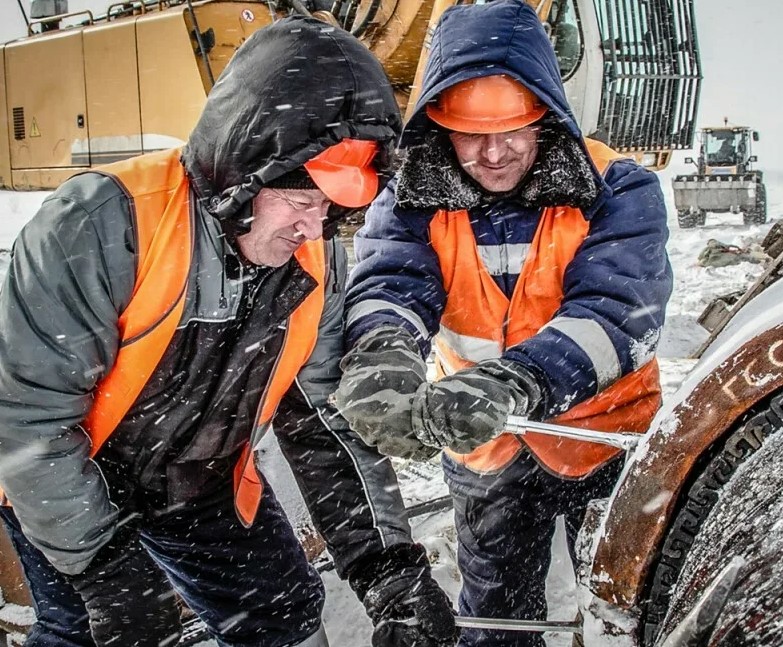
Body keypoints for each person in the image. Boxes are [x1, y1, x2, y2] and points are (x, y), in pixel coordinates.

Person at [0, 16, 456, 647]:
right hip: (71, 475)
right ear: (245, 173)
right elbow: (27, 416)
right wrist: (104, 568)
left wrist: (388, 571)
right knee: (91, 628)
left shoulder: (313, 263)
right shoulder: (103, 224)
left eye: (332, 209)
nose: (313, 229)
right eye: (301, 202)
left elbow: (322, 419)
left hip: (198, 478)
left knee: (283, 614)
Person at [333, 1, 672, 645]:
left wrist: (514, 380)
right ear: (437, 125)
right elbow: (390, 284)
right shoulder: (411, 196)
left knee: (629, 612)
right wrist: (382, 355)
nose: (492, 154)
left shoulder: (619, 188)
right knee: (494, 616)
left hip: (607, 439)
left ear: (546, 113)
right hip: (485, 445)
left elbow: (617, 312)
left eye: (513, 129)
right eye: (469, 133)